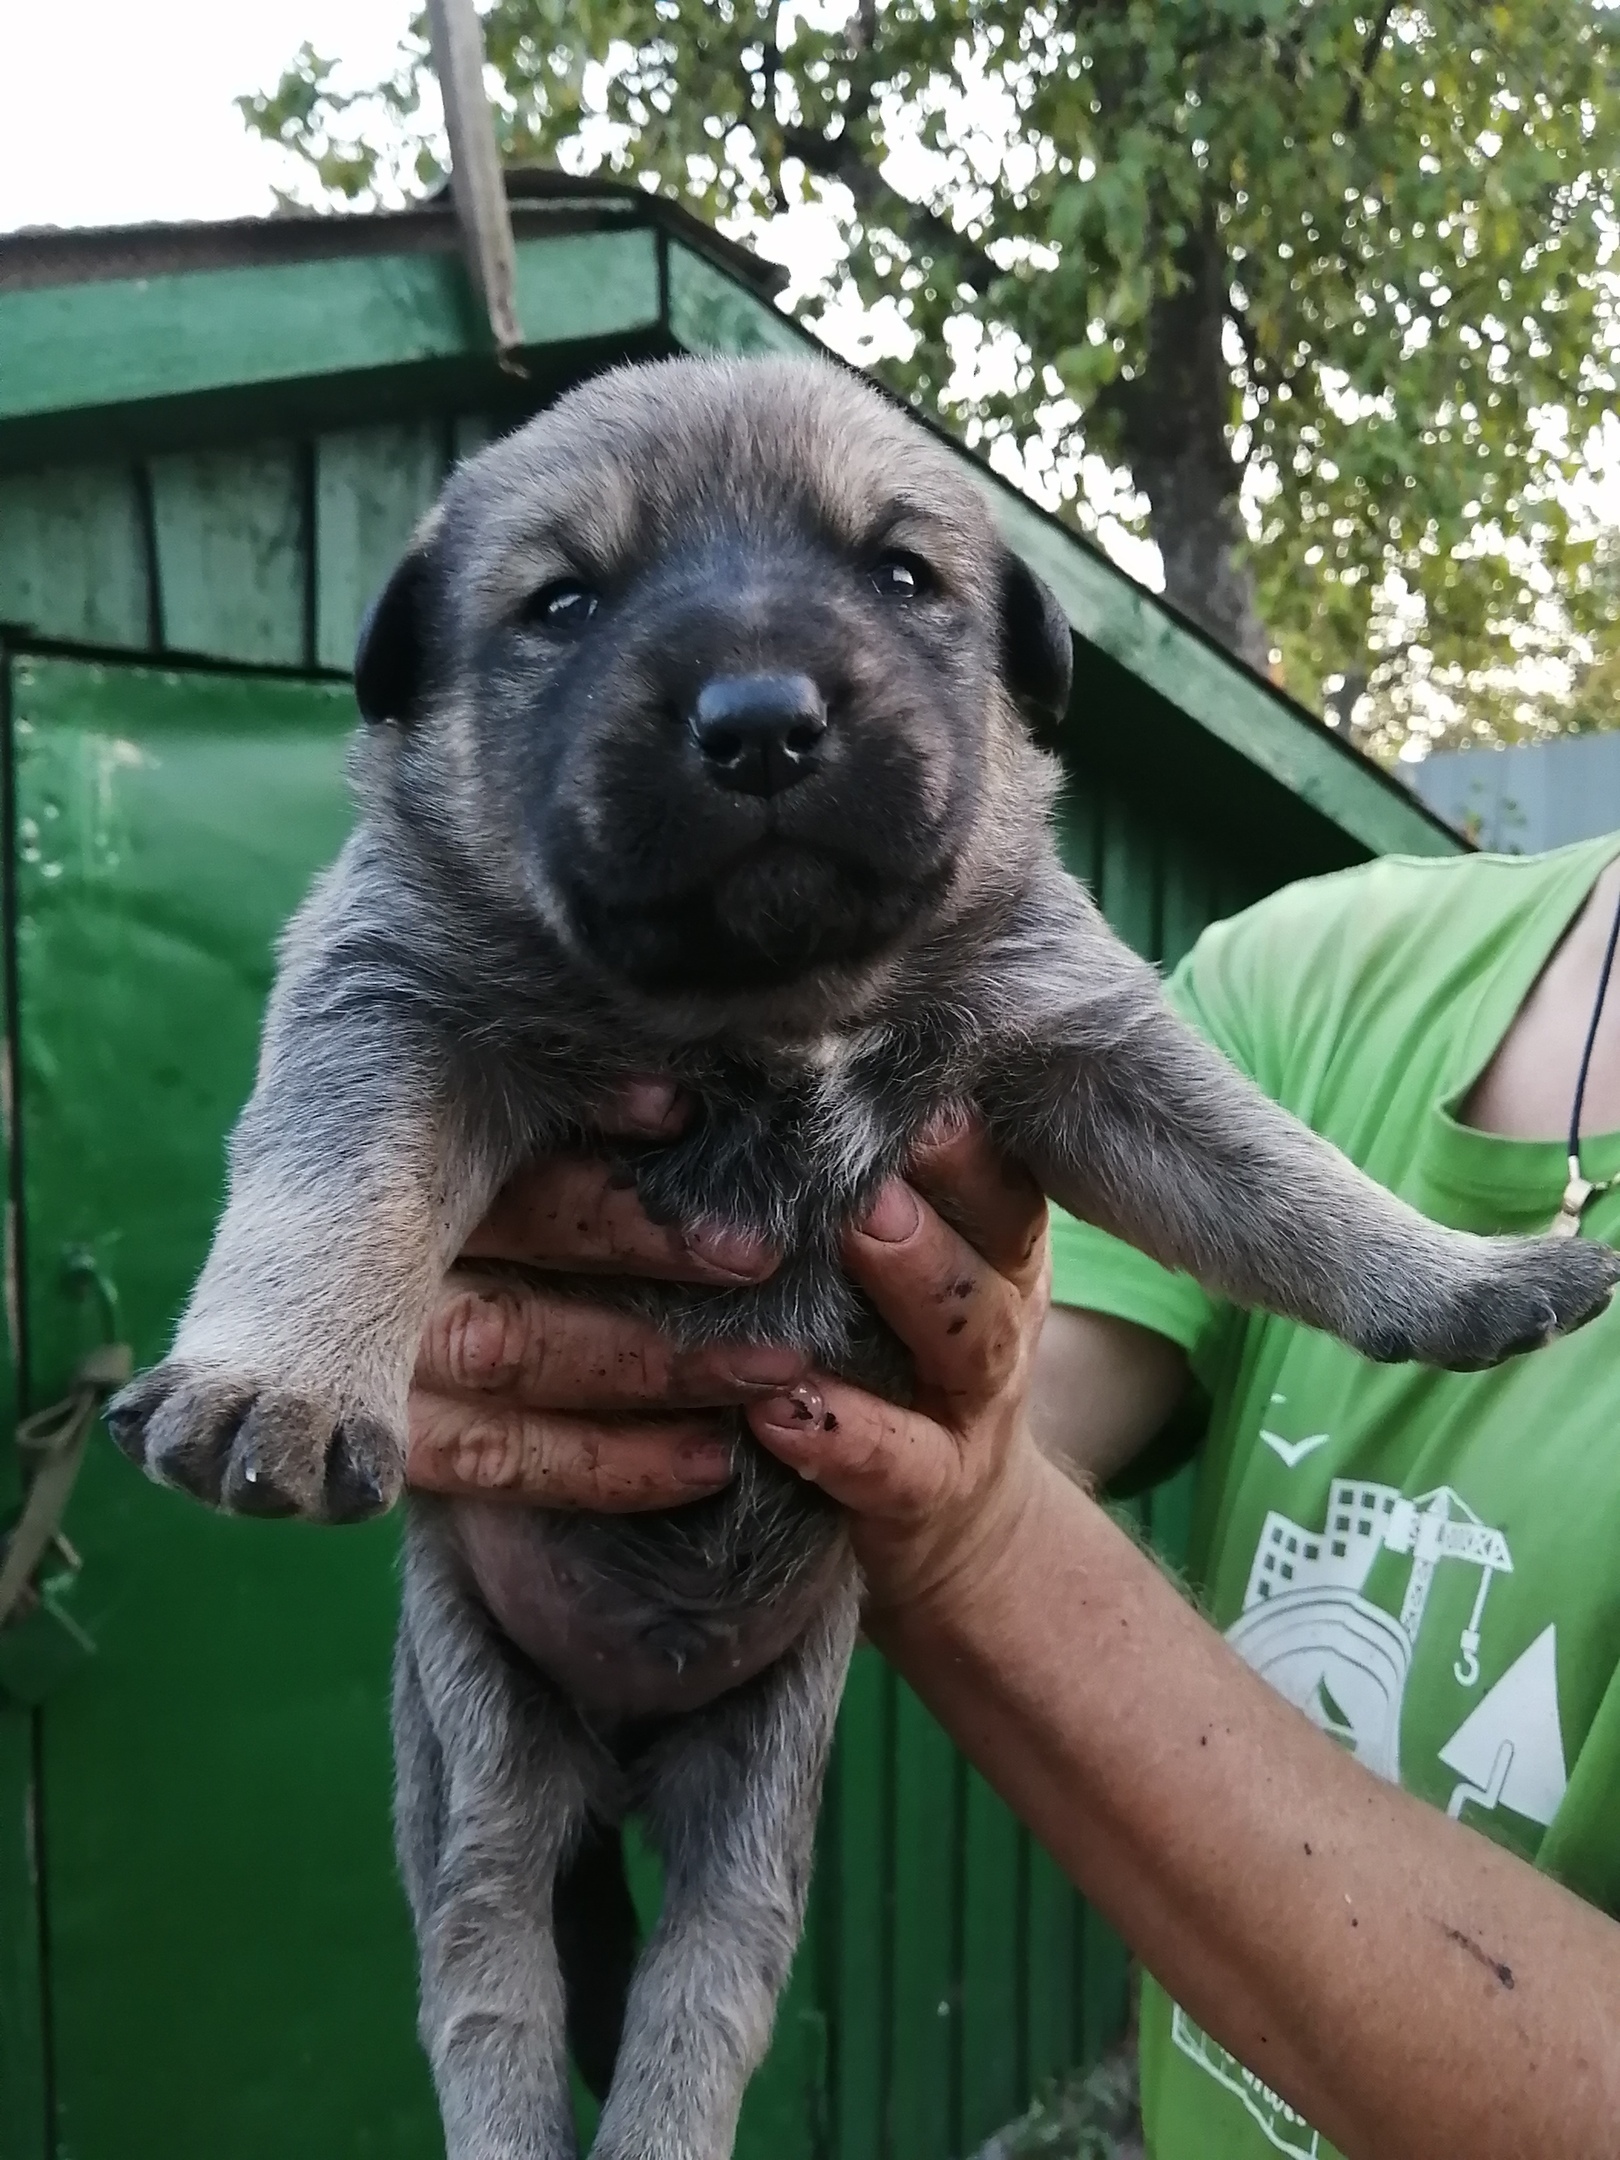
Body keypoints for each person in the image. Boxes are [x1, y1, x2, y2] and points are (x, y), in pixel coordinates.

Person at [406, 833, 1620, 2159]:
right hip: (618, 1623)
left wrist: (968, 1530)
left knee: (720, 1935)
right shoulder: (1322, 966)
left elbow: (967, 1495)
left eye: (914, 604)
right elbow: (1010, 1380)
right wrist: (535, 1390)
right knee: (513, 1914)